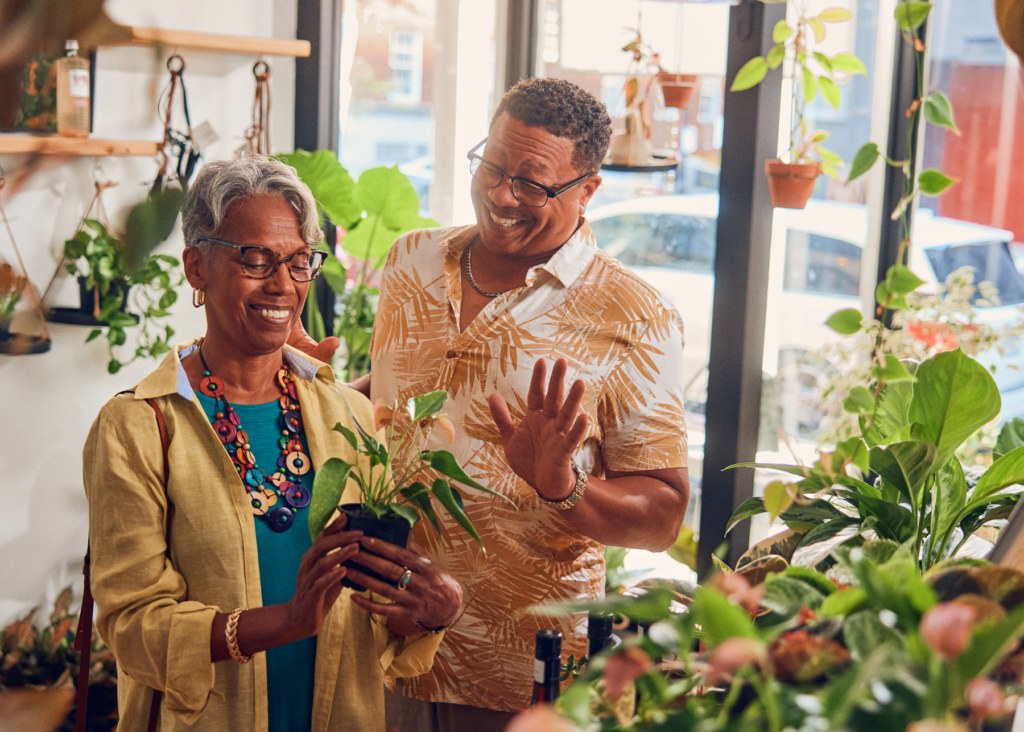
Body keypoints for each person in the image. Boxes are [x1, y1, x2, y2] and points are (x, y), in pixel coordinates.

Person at [83, 154, 462, 732]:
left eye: (298, 262)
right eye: (255, 260)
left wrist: (428, 613)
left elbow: (372, 613)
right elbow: (134, 628)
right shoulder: (139, 427)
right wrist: (285, 622)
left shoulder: (350, 416)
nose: (283, 285)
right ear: (196, 267)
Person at [361, 77, 691, 730]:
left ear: (588, 188)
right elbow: (398, 401)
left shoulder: (636, 314)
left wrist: (564, 486)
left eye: (533, 184)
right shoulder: (410, 261)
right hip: (376, 649)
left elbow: (662, 517)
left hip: (520, 680)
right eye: (493, 166)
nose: (501, 194)